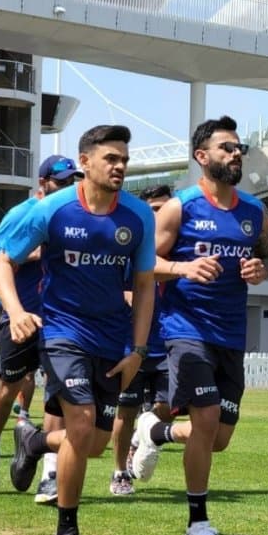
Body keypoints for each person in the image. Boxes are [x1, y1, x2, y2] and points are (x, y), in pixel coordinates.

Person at [0, 125, 155, 535]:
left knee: (97, 444)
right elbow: (3, 260)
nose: (120, 166)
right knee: (81, 426)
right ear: (85, 162)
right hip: (63, 332)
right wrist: (16, 310)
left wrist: (138, 351)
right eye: (111, 158)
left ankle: (33, 442)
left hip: (112, 338)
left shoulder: (139, 216)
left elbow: (144, 286)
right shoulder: (54, 208)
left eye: (124, 158)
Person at [131, 116, 268, 535]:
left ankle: (155, 433)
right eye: (226, 148)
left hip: (231, 334)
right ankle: (197, 525)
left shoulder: (256, 211)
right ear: (202, 157)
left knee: (217, 438)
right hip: (185, 331)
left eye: (239, 148)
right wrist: (182, 267)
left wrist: (261, 269)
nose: (236, 154)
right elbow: (141, 265)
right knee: (207, 418)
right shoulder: (180, 208)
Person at [0, 154, 84, 496]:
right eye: (61, 181)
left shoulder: (75, 215)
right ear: (43, 184)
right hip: (21, 314)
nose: (68, 187)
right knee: (9, 387)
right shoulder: (24, 213)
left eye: (73, 181)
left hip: (61, 319)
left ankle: (51, 472)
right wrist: (33, 252)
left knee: (59, 391)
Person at [109, 184, 173, 496]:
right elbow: (117, 287)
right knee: (126, 410)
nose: (159, 214)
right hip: (131, 342)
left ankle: (141, 437)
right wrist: (138, 297)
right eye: (154, 209)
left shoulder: (178, 250)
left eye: (164, 208)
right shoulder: (132, 246)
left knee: (170, 404)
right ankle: (119, 471)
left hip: (168, 342)